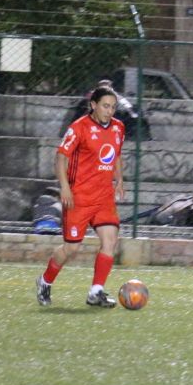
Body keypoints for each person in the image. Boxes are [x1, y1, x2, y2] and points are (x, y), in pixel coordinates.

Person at [35, 84, 124, 308]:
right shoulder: (79, 128)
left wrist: (120, 180)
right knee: (71, 249)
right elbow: (60, 158)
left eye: (113, 107)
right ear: (93, 105)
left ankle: (96, 292)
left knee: (110, 240)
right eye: (105, 106)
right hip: (80, 197)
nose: (109, 111)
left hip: (103, 197)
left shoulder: (118, 128)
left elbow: (116, 154)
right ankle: (45, 281)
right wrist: (64, 187)